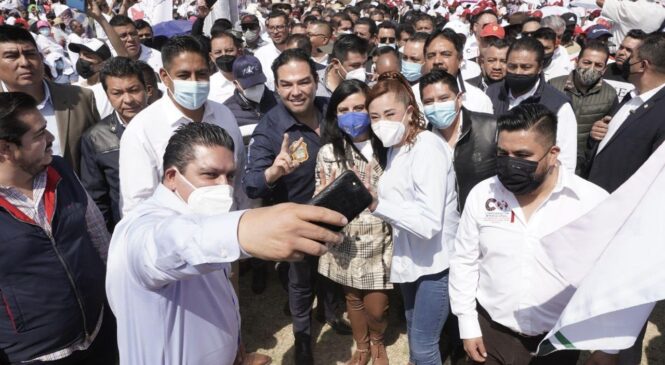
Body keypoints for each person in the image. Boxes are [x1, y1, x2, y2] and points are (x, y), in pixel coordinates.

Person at [107, 122, 345, 365]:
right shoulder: (140, 230)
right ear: (171, 177)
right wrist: (244, 229)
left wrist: (232, 342)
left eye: (230, 176)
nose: (224, 187)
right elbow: (173, 244)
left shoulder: (203, 217)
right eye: (210, 174)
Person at [449, 103, 610, 365]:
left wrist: (605, 347)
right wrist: (468, 325)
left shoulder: (592, 203)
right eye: (502, 153)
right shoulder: (483, 194)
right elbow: (465, 261)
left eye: (523, 155)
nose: (511, 163)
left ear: (553, 153)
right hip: (492, 334)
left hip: (557, 343)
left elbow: (608, 277)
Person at [243, 48, 350, 364]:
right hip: (298, 220)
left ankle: (331, 313)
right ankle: (303, 338)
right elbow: (252, 184)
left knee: (332, 270)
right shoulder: (270, 128)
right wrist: (275, 171)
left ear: (316, 82)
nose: (296, 91)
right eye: (286, 84)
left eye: (303, 82)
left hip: (337, 211)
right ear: (276, 87)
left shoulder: (331, 110)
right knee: (300, 283)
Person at [0, 91, 116, 364]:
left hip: (100, 332)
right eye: (39, 135)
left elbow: (99, 237)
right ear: (5, 148)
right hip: (37, 355)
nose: (51, 139)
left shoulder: (60, 171)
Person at [366, 72, 460, 365]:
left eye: (389, 113)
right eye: (375, 116)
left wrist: (377, 203)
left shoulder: (427, 148)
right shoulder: (398, 148)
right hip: (410, 262)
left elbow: (429, 223)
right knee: (416, 339)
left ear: (409, 111)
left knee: (424, 345)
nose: (382, 122)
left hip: (435, 265)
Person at [119, 35, 246, 215]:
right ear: (164, 76)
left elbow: (238, 179)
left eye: (201, 74)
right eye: (184, 75)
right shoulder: (142, 130)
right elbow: (138, 205)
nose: (194, 83)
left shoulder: (224, 115)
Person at [315, 79, 392, 365]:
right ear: (335, 115)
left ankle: (378, 340)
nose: (352, 115)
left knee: (377, 307)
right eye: (344, 109)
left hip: (383, 239)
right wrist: (326, 196)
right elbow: (317, 198)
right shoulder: (328, 153)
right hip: (346, 240)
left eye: (359, 107)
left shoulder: (389, 146)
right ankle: (362, 347)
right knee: (353, 299)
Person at [0, 25, 99, 174]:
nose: (25, 63)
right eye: (11, 56)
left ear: (41, 57)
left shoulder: (81, 99)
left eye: (30, 53)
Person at [485, 37, 578, 173]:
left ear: (539, 67)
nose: (517, 72)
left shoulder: (558, 105)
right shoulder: (492, 92)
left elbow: (566, 162)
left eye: (525, 67)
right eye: (512, 66)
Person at [80, 57, 148, 232]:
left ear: (146, 89)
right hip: (128, 231)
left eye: (134, 90)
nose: (128, 99)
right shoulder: (95, 138)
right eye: (117, 93)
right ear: (107, 95)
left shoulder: (170, 124)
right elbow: (97, 198)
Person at [420, 69, 498, 211]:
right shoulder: (421, 142)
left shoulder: (491, 128)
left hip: (485, 218)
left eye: (443, 99)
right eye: (429, 101)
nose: (436, 106)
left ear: (459, 98)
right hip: (444, 226)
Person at [549, 40, 618, 175]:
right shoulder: (553, 86)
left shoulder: (610, 95)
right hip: (551, 159)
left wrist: (601, 132)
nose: (591, 68)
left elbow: (611, 132)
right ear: (576, 62)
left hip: (583, 167)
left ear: (604, 69)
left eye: (598, 65)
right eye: (586, 62)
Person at [420, 29, 494, 114]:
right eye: (431, 55)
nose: (437, 61)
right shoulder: (412, 96)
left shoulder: (478, 100)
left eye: (446, 54)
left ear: (460, 59)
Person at [224, 55, 277, 144]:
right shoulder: (227, 112)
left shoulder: (279, 101)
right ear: (236, 83)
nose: (256, 88)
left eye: (259, 83)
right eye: (250, 86)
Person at [69, 39, 115, 119]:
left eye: (87, 56)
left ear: (103, 63)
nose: (81, 59)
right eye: (80, 55)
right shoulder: (74, 88)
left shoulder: (111, 88)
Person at [596, 0, 665, 46]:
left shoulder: (628, 7)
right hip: (639, 58)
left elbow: (599, 1)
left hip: (617, 54)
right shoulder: (662, 12)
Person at [603, 29, 647, 101]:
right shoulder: (603, 70)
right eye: (621, 47)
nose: (621, 52)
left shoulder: (641, 79)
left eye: (629, 50)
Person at [255, 11, 290, 91]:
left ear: (289, 27)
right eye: (271, 28)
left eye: (280, 27)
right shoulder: (260, 54)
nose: (275, 32)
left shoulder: (298, 49)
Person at [208, 30, 244, 104]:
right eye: (218, 52)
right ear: (211, 57)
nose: (224, 55)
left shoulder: (253, 77)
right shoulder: (209, 87)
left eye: (229, 50)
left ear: (239, 52)